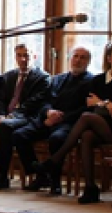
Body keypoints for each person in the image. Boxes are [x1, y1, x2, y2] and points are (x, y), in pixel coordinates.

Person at [40, 41, 112, 204]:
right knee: (87, 135)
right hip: (100, 124)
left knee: (86, 117)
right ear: (109, 58)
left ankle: (55, 159)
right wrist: (108, 105)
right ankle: (90, 187)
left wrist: (103, 103)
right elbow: (91, 104)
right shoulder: (99, 80)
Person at [11, 46, 94, 194]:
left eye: (83, 58)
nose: (78, 60)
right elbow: (45, 101)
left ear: (88, 62)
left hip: (69, 123)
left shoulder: (92, 81)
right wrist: (48, 112)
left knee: (56, 139)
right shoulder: (57, 79)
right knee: (19, 135)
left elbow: (87, 109)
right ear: (70, 59)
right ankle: (40, 175)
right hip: (48, 119)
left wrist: (60, 117)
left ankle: (55, 182)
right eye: (75, 56)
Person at [0, 42, 51, 190]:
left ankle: (1, 175)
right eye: (19, 55)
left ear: (34, 56)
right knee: (8, 130)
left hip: (29, 117)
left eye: (26, 55)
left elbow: (33, 104)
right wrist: (0, 116)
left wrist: (9, 117)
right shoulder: (8, 76)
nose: (22, 59)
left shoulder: (43, 78)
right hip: (7, 118)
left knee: (6, 127)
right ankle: (39, 175)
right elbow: (0, 99)